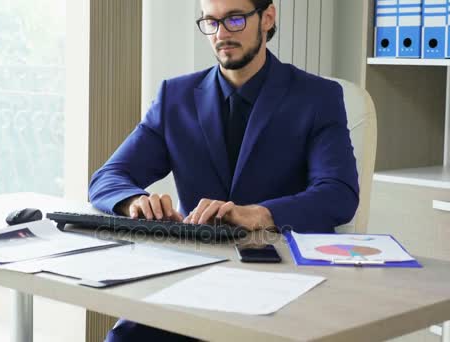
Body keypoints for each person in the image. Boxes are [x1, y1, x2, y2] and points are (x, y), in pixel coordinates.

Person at [90, 0, 359, 340]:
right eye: (211, 22)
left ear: (267, 18)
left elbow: (339, 193)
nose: (221, 34)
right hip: (195, 275)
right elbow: (107, 178)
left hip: (282, 278)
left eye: (234, 20)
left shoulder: (317, 97)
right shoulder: (175, 97)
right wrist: (134, 202)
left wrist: (260, 214)